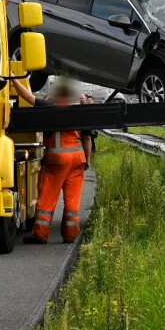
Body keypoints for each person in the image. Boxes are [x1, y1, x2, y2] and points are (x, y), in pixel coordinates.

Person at [29, 80, 93, 244]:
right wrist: (87, 160)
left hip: (57, 161)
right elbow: (87, 138)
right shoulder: (80, 111)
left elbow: (28, 97)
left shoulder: (51, 107)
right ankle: (70, 235)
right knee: (73, 200)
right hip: (77, 160)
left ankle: (41, 235)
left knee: (47, 199)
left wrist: (14, 78)